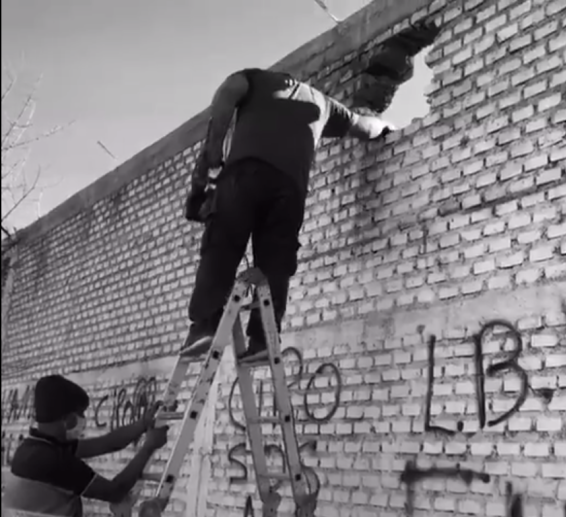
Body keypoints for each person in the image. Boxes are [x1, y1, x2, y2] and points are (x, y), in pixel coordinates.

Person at [180, 68, 396, 365]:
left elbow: (229, 90)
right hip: (290, 188)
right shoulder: (323, 104)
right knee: (276, 263)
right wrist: (387, 127)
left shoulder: (255, 78)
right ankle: (263, 340)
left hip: (244, 174)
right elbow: (363, 126)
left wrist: (214, 150)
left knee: (222, 244)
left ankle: (205, 327)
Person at [1, 375, 169, 516]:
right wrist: (149, 447)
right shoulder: (56, 462)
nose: (83, 419)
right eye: (80, 413)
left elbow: (106, 444)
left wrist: (143, 424)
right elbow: (116, 492)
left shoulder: (32, 448)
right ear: (67, 419)